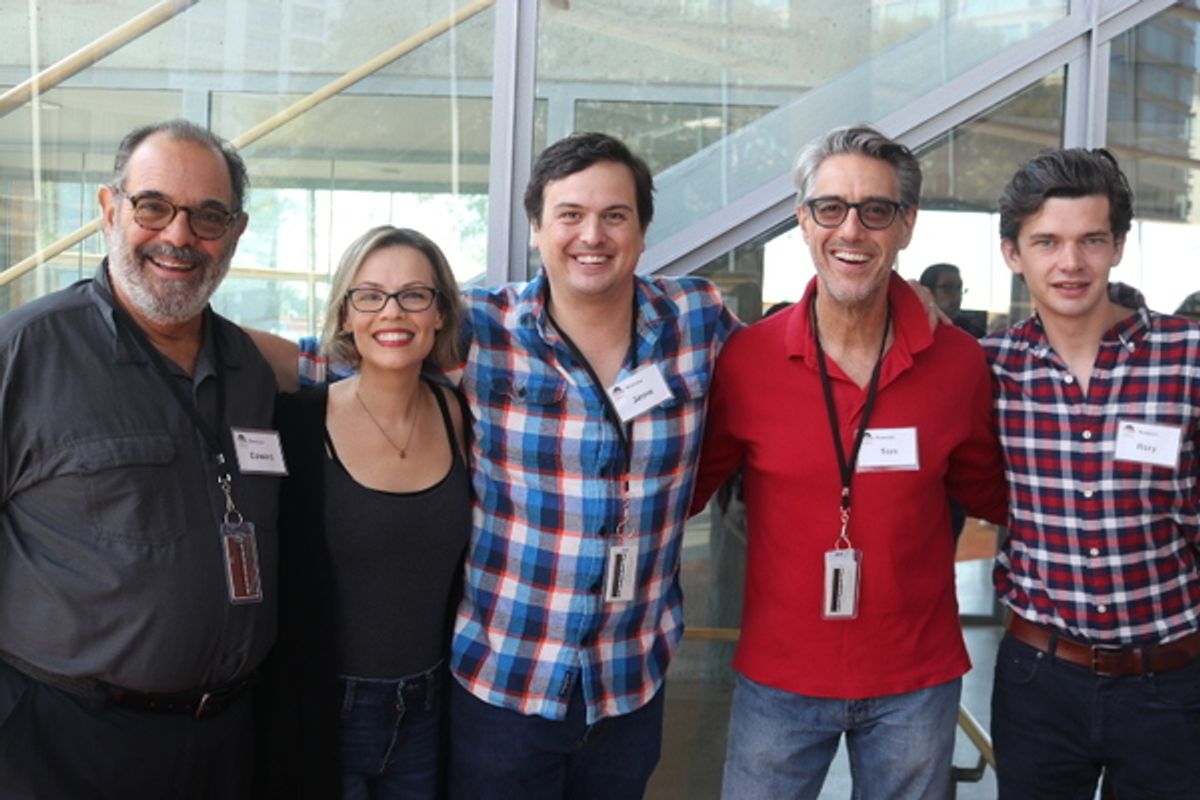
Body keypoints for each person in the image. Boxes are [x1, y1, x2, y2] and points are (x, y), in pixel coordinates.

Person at [253, 132, 739, 799]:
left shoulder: (698, 319)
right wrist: (171, 321)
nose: (590, 234)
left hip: (629, 682)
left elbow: (791, 363)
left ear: (642, 229)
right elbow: (321, 356)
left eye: (614, 215)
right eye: (569, 215)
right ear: (536, 228)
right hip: (506, 684)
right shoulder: (480, 330)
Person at [690, 125, 1008, 800]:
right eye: (830, 208)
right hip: (779, 677)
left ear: (906, 226)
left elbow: (995, 491)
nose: (851, 230)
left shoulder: (957, 363)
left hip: (916, 680)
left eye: (877, 210)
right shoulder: (747, 360)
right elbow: (682, 492)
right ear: (803, 222)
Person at [0, 119, 279, 798]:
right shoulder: (24, 353)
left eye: (208, 216)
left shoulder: (250, 370)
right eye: (153, 206)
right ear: (108, 210)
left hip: (229, 741)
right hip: (65, 746)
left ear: (235, 234)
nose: (180, 236)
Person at [985, 148, 1200, 798]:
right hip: (1037, 682)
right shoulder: (986, 369)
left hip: (1172, 681)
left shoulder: (1188, 360)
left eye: (1090, 241)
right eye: (1046, 241)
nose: (1070, 263)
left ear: (1118, 247)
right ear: (1013, 254)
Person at [257, 226, 470, 799]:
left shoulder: (460, 415)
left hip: (431, 708)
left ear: (441, 314)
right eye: (369, 295)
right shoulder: (297, 423)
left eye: (414, 295)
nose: (392, 312)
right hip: (325, 708)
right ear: (346, 316)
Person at [920, 262, 986, 337]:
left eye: (958, 288)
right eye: (947, 288)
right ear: (928, 291)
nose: (956, 295)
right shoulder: (915, 330)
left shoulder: (973, 332)